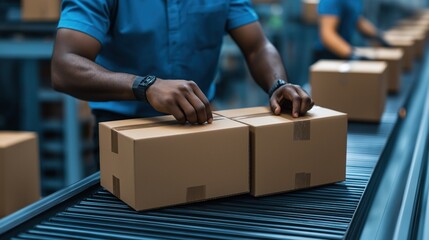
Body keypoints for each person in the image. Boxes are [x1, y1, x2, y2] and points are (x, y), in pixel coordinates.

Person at [51, 0, 314, 159]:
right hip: (123, 128)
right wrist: (146, 86)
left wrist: (278, 84)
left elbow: (257, 46)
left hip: (198, 123)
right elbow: (65, 66)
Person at [314, 0, 391, 61]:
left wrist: (378, 35)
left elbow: (357, 20)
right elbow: (327, 34)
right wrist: (351, 54)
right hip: (328, 56)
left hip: (343, 51)